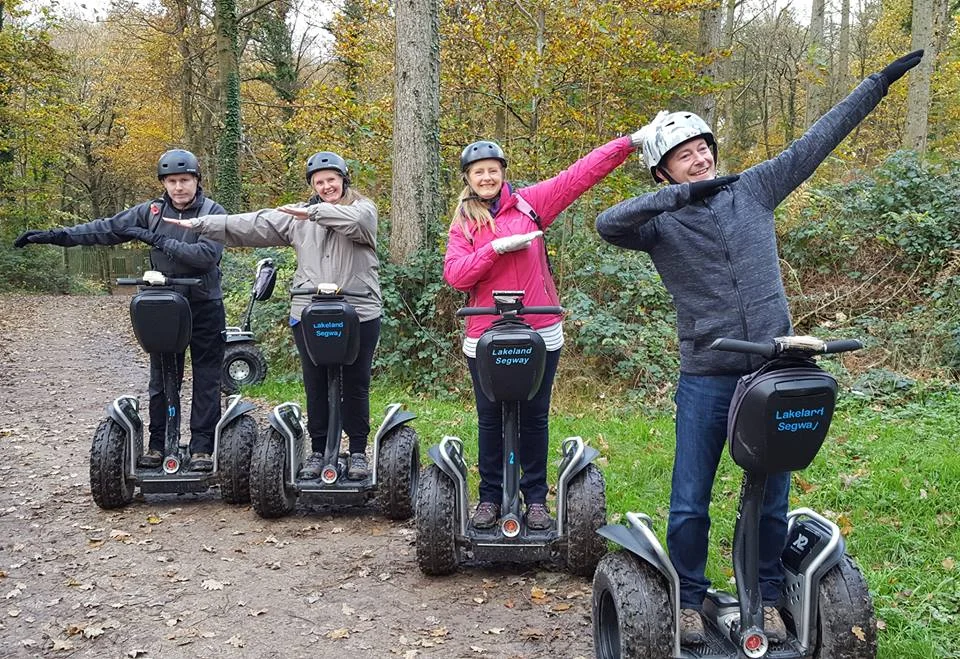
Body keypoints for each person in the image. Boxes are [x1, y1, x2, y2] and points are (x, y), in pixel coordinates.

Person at [595, 50, 923, 644]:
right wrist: (680, 198)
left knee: (773, 497)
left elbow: (816, 141)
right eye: (682, 156)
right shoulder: (659, 223)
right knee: (691, 499)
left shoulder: (756, 189)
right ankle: (689, 598)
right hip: (707, 373)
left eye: (703, 149)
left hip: (773, 371)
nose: (699, 159)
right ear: (662, 172)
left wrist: (876, 83)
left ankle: (769, 593)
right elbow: (607, 223)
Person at [443, 135, 638, 531]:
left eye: (492, 171)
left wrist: (629, 143)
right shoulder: (463, 222)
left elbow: (579, 176)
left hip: (539, 327)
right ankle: (490, 497)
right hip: (485, 331)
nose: (486, 178)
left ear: (503, 173)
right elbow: (456, 275)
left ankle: (534, 498)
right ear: (468, 178)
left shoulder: (531, 204)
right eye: (478, 172)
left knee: (534, 416)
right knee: (490, 418)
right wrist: (495, 248)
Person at [166, 151, 381, 481]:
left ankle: (357, 453)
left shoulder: (362, 209)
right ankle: (318, 450)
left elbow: (355, 224)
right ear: (312, 184)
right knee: (315, 383)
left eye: (331, 179)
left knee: (355, 384)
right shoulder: (298, 217)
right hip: (309, 313)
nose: (326, 186)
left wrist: (313, 213)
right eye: (319, 182)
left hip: (360, 311)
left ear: (343, 179)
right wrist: (201, 223)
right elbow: (253, 224)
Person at [14, 149, 227, 472]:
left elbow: (204, 257)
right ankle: (159, 444)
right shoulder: (150, 211)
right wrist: (56, 237)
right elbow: (106, 228)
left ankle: (201, 447)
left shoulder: (213, 212)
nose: (179, 187)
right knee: (163, 375)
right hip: (165, 305)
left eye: (185, 180)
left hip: (203, 302)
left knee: (206, 376)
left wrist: (155, 239)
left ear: (197, 180)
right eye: (172, 181)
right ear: (163, 184)